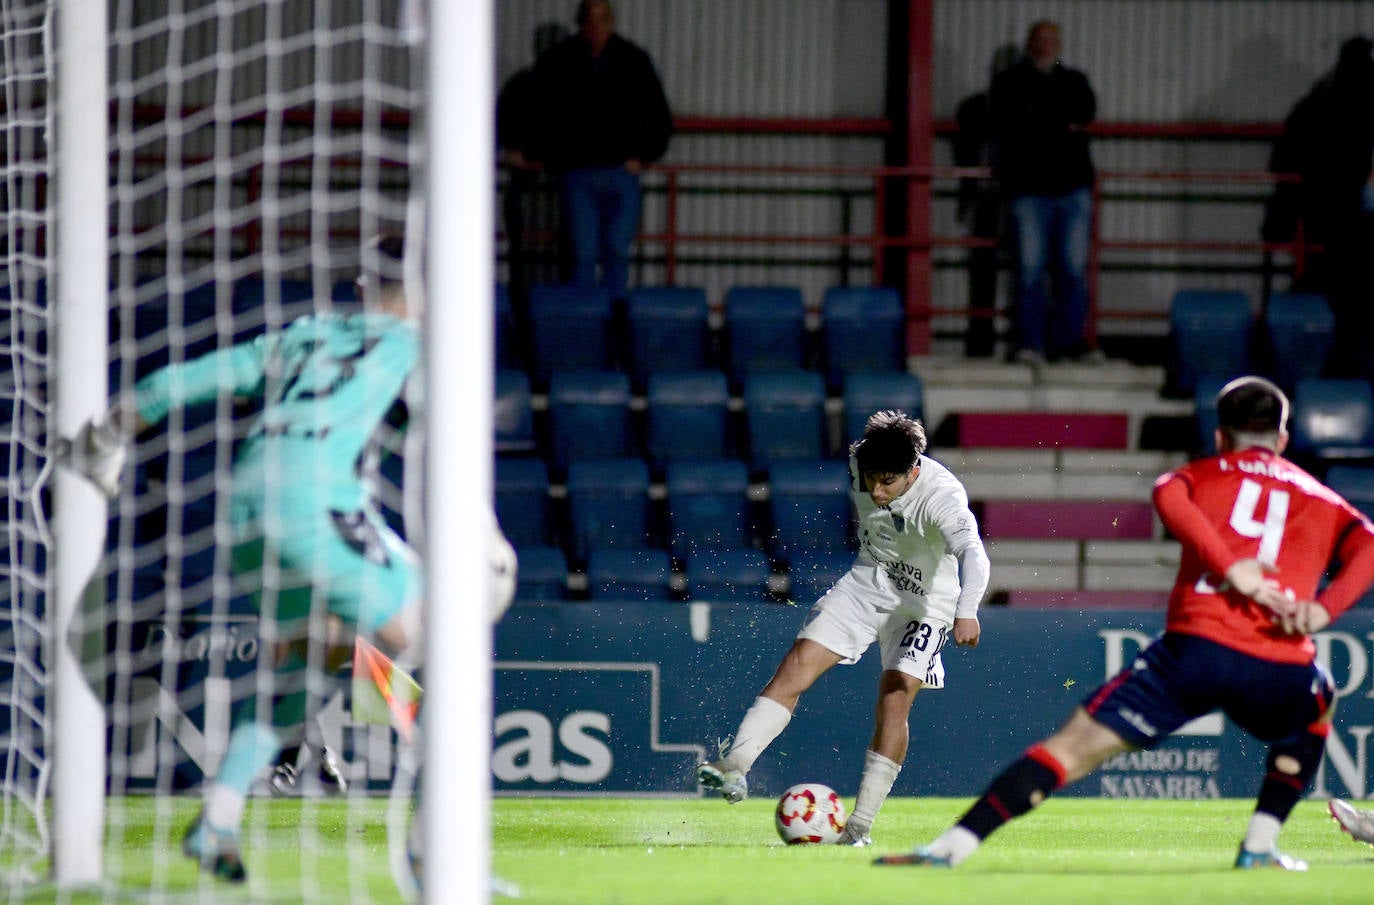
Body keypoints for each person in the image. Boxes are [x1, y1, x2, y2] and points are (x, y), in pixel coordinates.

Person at [875, 376, 1374, 871]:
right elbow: (1369, 544)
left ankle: (948, 851)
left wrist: (1228, 566)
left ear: (1220, 436)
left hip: (1194, 651)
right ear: (1283, 440)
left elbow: (1167, 494)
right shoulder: (1322, 499)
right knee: (1315, 708)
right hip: (1279, 660)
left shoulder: (1201, 475)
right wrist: (1326, 610)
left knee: (1069, 750)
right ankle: (1260, 847)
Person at [70, 235, 426, 883]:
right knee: (435, 635)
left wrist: (102, 440)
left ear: (360, 288)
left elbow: (169, 384)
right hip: (320, 507)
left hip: (245, 508)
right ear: (425, 291)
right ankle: (440, 846)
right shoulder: (418, 349)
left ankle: (218, 821)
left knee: (308, 663)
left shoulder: (300, 335)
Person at [697, 410, 990, 846]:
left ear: (914, 471)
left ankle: (859, 826)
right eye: (871, 478)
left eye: (887, 482)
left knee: (896, 697)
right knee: (797, 665)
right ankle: (734, 765)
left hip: (928, 603)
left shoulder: (942, 495)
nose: (875, 490)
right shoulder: (862, 464)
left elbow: (975, 554)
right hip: (868, 581)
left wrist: (968, 609)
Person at [529, 0, 672, 302]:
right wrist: (545, 155)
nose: (596, 28)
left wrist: (645, 155)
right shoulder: (560, 62)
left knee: (618, 251)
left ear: (612, 22)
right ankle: (586, 326)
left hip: (620, 171)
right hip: (579, 172)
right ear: (581, 23)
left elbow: (658, 114)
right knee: (583, 253)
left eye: (602, 19)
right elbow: (540, 111)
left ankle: (612, 324)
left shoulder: (633, 60)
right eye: (590, 20)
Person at [1261, 35, 1374, 379]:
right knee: (1349, 299)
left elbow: (1283, 157)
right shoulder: (1329, 103)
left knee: (1340, 296)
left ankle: (1334, 366)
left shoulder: (1317, 100)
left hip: (1328, 218)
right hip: (1342, 218)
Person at [989, 20, 1101, 365]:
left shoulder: (1074, 80)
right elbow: (1009, 119)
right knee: (1030, 272)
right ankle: (1030, 344)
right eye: (1039, 40)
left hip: (1072, 190)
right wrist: (1054, 119)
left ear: (1060, 44)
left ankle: (1070, 343)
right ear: (1029, 44)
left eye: (1051, 40)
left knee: (1071, 271)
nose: (1045, 46)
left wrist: (1039, 115)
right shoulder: (1010, 82)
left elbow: (1086, 111)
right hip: (1029, 191)